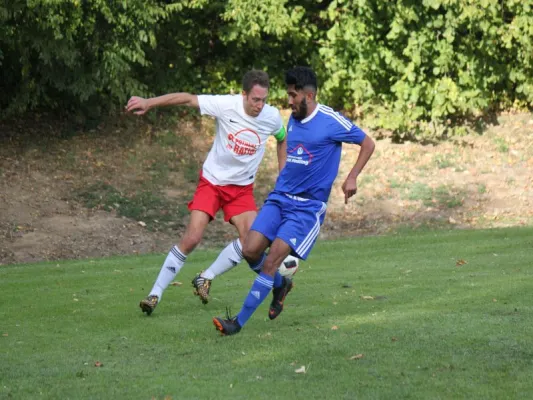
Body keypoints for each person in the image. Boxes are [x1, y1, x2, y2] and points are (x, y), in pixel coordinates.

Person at [213, 66, 376, 335]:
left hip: (306, 208)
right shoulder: (292, 118)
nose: (288, 101)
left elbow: (367, 143)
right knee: (250, 250)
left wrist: (352, 177)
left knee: (271, 260)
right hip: (280, 199)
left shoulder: (330, 120)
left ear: (308, 95)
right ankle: (281, 285)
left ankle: (237, 323)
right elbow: (290, 150)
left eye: (292, 95)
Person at [125, 70, 293, 317]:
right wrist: (149, 103)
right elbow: (187, 99)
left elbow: (282, 138)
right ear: (244, 94)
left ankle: (211, 277)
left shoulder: (270, 117)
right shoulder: (225, 105)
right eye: (255, 99)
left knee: (252, 245)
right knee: (192, 238)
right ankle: (155, 294)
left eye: (264, 100)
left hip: (241, 190)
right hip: (212, 183)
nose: (260, 105)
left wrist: (283, 173)